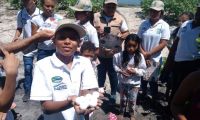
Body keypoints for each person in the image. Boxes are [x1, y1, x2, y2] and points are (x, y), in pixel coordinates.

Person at [30, 20, 102, 120]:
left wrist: (90, 99)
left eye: (73, 38)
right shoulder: (42, 66)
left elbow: (88, 89)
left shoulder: (85, 62)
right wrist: (70, 102)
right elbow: (45, 107)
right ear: (54, 40)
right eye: (62, 37)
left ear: (79, 43)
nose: (67, 41)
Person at [93, 0, 129, 103]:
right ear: (103, 6)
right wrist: (97, 31)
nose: (111, 8)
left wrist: (122, 36)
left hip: (114, 53)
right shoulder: (95, 16)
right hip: (99, 52)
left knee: (113, 74)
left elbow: (126, 32)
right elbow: (88, 29)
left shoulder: (120, 18)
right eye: (108, 6)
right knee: (101, 73)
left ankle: (113, 93)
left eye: (113, 6)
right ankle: (101, 92)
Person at [165, 3, 200, 103]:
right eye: (198, 11)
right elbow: (175, 45)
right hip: (177, 62)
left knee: (188, 92)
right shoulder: (186, 24)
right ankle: (170, 110)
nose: (199, 14)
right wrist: (168, 64)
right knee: (175, 88)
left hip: (193, 65)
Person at [137, 0, 170, 101]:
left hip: (155, 58)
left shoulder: (164, 25)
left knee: (152, 80)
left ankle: (154, 99)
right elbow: (138, 40)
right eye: (152, 10)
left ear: (161, 12)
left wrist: (149, 54)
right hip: (142, 56)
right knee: (143, 77)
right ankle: (143, 95)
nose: (153, 13)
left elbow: (163, 43)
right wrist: (143, 54)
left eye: (156, 11)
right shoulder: (143, 24)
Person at [12, 0, 42, 102]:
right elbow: (19, 28)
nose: (24, 2)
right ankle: (28, 91)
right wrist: (16, 37)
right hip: (27, 46)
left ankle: (40, 91)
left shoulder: (41, 14)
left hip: (40, 46)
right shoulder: (21, 13)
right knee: (28, 69)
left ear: (34, 1)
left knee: (40, 69)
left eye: (27, 0)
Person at [113, 34, 146, 119]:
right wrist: (120, 71)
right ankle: (121, 112)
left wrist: (135, 71)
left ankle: (131, 114)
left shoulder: (140, 57)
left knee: (132, 100)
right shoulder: (118, 56)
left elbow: (143, 70)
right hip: (123, 82)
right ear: (125, 44)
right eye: (128, 46)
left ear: (138, 45)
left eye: (134, 46)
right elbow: (115, 65)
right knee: (122, 99)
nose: (131, 48)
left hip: (134, 84)